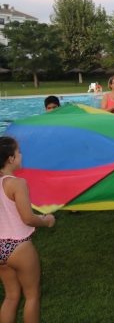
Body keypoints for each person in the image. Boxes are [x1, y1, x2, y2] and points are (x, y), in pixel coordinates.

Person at [0, 136, 56, 323]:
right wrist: (46, 220)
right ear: (11, 159)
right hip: (19, 247)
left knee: (11, 296)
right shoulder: (17, 184)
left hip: (0, 248)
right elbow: (28, 218)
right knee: (32, 295)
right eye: (19, 152)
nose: (21, 155)